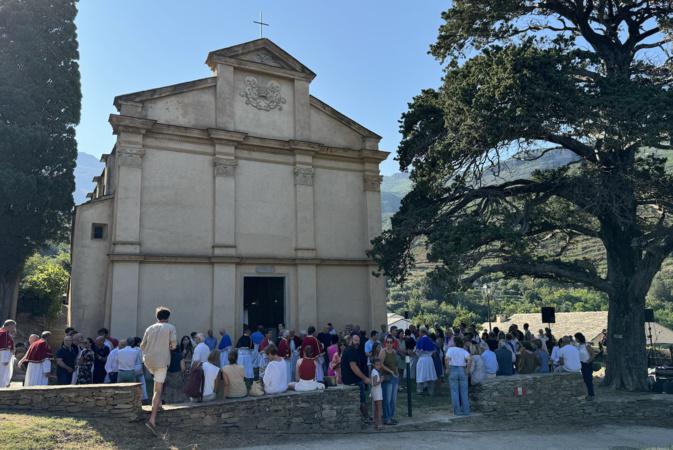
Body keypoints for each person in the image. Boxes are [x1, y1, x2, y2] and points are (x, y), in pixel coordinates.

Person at [140, 306, 178, 434]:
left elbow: (142, 346)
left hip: (148, 361)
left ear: (157, 317)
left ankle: (158, 404)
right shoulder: (170, 327)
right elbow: (173, 346)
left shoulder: (149, 328)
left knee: (156, 384)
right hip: (161, 361)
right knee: (158, 390)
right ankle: (152, 419)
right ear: (167, 317)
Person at [342, 333, 372, 423]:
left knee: (362, 400)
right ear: (351, 340)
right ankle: (366, 418)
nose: (357, 343)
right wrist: (364, 378)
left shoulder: (350, 350)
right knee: (362, 400)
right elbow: (353, 367)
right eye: (355, 340)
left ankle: (365, 417)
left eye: (358, 341)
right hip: (353, 380)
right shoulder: (351, 351)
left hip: (351, 380)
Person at [446, 336, 471, 416]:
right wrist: (467, 369)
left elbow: (446, 359)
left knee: (454, 392)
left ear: (454, 342)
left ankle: (457, 411)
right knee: (464, 392)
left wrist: (447, 368)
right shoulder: (463, 350)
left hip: (453, 369)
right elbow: (469, 359)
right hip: (462, 370)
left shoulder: (450, 350)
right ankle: (466, 411)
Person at [378, 335, 399, 425]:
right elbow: (380, 364)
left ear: (393, 343)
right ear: (385, 342)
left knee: (393, 399)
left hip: (394, 377)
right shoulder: (383, 351)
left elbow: (396, 364)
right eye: (388, 342)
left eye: (391, 342)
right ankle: (386, 418)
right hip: (387, 377)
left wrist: (396, 373)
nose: (389, 344)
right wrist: (390, 371)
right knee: (387, 399)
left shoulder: (394, 352)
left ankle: (391, 416)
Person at [414, 327, 438, 395]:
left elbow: (418, 351)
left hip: (422, 359)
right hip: (429, 360)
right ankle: (431, 391)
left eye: (419, 332)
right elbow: (434, 351)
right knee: (430, 374)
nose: (419, 333)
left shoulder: (421, 340)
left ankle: (420, 390)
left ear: (422, 332)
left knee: (421, 374)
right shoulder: (429, 340)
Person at [574, 332, 595, 399]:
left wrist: (588, 361)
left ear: (579, 338)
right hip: (581, 364)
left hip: (587, 364)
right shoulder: (578, 346)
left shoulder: (587, 345)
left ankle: (591, 394)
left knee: (588, 379)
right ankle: (588, 393)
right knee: (585, 380)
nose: (575, 339)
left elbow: (593, 354)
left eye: (576, 338)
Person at [0, 320, 16, 388]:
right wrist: (6, 359)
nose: (14, 328)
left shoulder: (1, 331)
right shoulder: (5, 334)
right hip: (3, 358)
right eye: (13, 326)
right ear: (9, 325)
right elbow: (5, 348)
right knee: (3, 373)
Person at [370, 358, 383, 430]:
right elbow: (374, 383)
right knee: (379, 408)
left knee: (376, 408)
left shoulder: (374, 371)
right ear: (374, 365)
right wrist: (380, 380)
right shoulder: (375, 372)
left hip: (376, 391)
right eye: (377, 365)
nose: (379, 366)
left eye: (379, 365)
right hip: (377, 391)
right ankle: (379, 424)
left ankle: (376, 423)